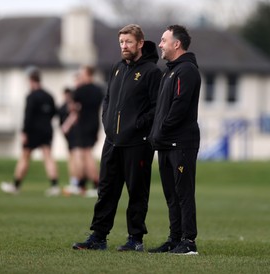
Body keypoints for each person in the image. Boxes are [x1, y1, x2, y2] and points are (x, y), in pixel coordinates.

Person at [72, 24, 162, 251]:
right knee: (106, 190)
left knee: (137, 193)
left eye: (129, 42)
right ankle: (98, 237)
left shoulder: (152, 72)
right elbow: (108, 100)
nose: (124, 46)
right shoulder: (117, 68)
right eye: (121, 42)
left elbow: (156, 108)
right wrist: (107, 123)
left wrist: (136, 126)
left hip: (137, 144)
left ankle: (135, 240)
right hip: (112, 141)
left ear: (140, 43)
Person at [148, 25, 201, 255]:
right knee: (171, 194)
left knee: (183, 192)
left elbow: (178, 108)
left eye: (163, 40)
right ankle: (175, 238)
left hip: (180, 143)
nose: (160, 44)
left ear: (176, 44)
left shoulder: (186, 70)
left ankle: (188, 242)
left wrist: (161, 131)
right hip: (166, 144)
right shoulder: (170, 71)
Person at [0, 66, 60, 196]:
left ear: (31, 80)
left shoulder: (31, 96)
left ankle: (15, 185)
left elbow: (28, 116)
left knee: (25, 157)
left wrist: (24, 132)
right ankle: (55, 186)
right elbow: (54, 112)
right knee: (48, 157)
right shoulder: (49, 95)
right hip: (47, 130)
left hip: (33, 131)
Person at [61, 66, 104, 197]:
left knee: (85, 154)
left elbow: (73, 107)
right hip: (95, 124)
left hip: (83, 124)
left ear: (87, 74)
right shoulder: (99, 90)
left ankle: (91, 184)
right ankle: (85, 184)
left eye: (82, 73)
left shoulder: (80, 90)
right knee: (87, 153)